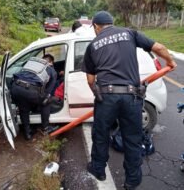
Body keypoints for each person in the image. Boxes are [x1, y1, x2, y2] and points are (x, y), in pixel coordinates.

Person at [82, 11, 177, 189]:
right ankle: (132, 181)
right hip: (132, 96)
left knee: (101, 135)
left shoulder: (93, 45)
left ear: (96, 26)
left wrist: (99, 95)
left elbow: (90, 80)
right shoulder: (129, 33)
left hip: (107, 97)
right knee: (132, 139)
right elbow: (159, 48)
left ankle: (98, 170)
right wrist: (170, 62)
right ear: (112, 23)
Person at [10, 54, 59, 140]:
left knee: (23, 107)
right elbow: (48, 92)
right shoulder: (52, 70)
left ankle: (27, 133)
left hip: (15, 88)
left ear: (41, 60)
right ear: (51, 62)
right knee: (46, 102)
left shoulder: (31, 64)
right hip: (30, 91)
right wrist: (45, 99)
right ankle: (46, 128)